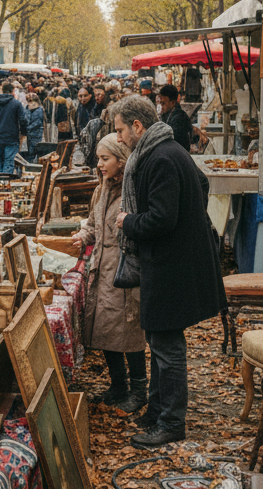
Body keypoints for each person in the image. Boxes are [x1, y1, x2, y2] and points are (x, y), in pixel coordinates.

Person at [111, 95, 222, 448]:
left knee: (167, 346)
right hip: (173, 261)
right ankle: (158, 411)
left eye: (120, 130)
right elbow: (201, 185)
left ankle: (171, 422)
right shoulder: (167, 150)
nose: (118, 138)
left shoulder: (160, 157)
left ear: (137, 126)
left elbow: (161, 218)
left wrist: (128, 221)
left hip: (171, 265)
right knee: (160, 341)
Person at [72, 134, 147, 410]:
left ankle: (138, 390)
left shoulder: (133, 191)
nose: (100, 164)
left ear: (121, 160)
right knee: (105, 329)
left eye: (105, 159)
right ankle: (118, 386)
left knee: (129, 332)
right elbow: (93, 225)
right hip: (102, 271)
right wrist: (82, 236)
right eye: (98, 159)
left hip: (126, 272)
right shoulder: (101, 189)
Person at [0, 82, 27, 174]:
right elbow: (23, 119)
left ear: (2, 90)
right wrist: (24, 132)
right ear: (13, 91)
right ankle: (5, 181)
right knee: (9, 162)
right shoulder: (16, 104)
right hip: (12, 137)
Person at [157, 84, 207, 153]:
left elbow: (171, 139)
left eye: (163, 103)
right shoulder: (167, 114)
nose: (161, 107)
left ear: (172, 103)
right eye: (160, 103)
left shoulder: (179, 118)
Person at [24, 93, 48, 159]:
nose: (30, 103)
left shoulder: (39, 110)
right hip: (29, 135)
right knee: (30, 151)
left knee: (35, 150)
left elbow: (38, 122)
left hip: (36, 134)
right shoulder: (27, 109)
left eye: (31, 101)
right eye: (29, 101)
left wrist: (27, 128)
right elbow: (25, 119)